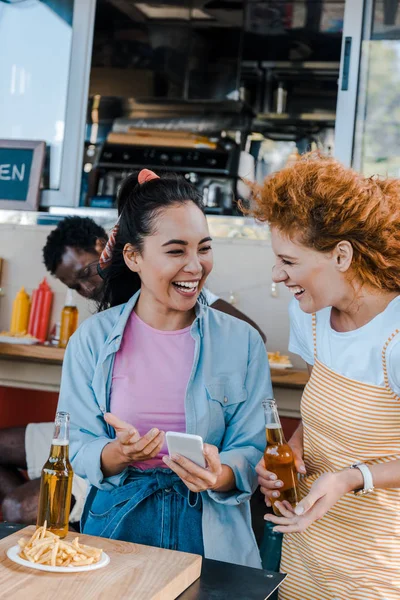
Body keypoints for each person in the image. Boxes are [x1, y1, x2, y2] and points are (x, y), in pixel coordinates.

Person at [57, 169, 272, 567]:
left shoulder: (243, 343)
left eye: (203, 248)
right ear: (133, 256)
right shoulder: (91, 340)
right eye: (176, 251)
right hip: (118, 521)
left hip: (210, 528)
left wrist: (219, 473)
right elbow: (75, 443)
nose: (196, 266)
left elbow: (251, 447)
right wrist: (115, 454)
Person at [0, 215, 265, 525]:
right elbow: (84, 429)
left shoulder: (184, 296)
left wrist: (187, 296)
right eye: (76, 286)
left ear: (106, 248)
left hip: (143, 456)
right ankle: (61, 523)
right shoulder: (96, 332)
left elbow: (249, 335)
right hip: (102, 438)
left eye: (86, 273)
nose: (87, 287)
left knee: (20, 507)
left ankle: (63, 512)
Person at [254, 154, 400, 599]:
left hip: (375, 566)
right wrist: (288, 455)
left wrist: (350, 477)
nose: (278, 275)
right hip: (305, 551)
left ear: (341, 255)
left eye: (288, 261)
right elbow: (323, 419)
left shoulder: (395, 338)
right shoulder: (312, 318)